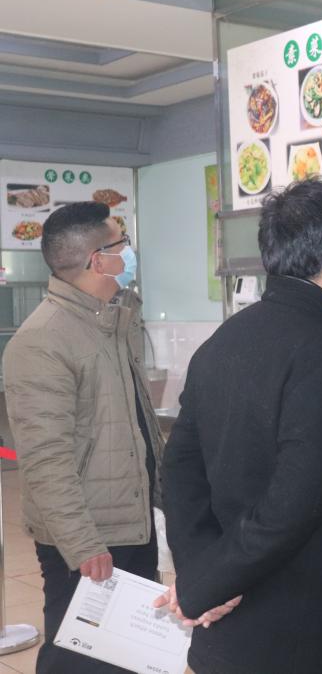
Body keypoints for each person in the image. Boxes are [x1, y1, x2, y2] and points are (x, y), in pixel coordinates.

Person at [157, 179, 322, 673]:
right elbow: (295, 504)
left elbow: (179, 469)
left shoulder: (224, 340)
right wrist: (207, 583)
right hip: (307, 623)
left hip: (236, 622)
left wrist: (204, 572)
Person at [3, 201, 161, 673]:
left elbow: (135, 426)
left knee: (129, 655)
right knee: (78, 659)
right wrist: (82, 543)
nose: (129, 252)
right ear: (98, 260)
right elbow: (46, 458)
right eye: (121, 244)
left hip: (131, 522)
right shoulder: (43, 340)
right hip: (89, 538)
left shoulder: (113, 323)